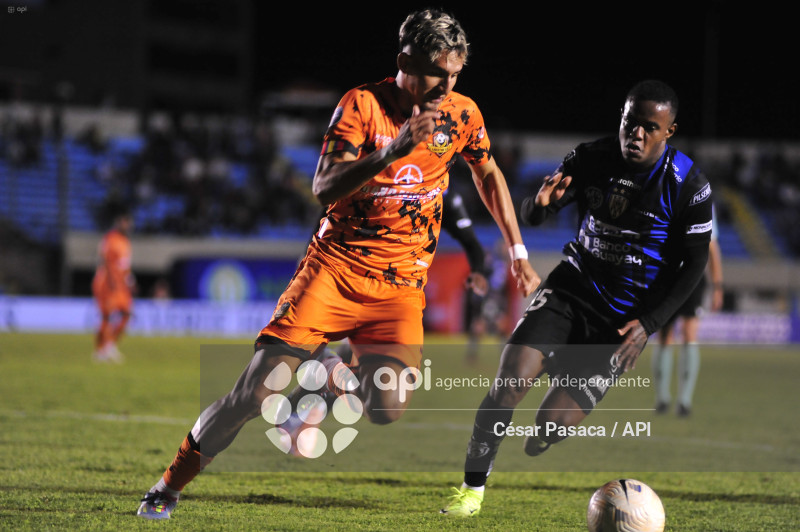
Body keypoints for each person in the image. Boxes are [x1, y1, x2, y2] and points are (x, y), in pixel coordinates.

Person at [137, 8, 539, 519]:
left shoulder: (462, 113)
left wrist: (517, 251)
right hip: (334, 273)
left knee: (388, 410)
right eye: (441, 74)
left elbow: (488, 172)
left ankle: (332, 369)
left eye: (457, 74)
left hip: (401, 286)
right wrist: (395, 148)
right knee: (254, 393)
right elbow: (323, 187)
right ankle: (167, 486)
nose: (448, 85)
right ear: (405, 61)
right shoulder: (362, 105)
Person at [441, 80, 714, 517]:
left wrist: (647, 325)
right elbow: (534, 212)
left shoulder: (688, 186)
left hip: (620, 322)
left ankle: (545, 433)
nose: (636, 135)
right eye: (630, 123)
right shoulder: (591, 158)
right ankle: (471, 491)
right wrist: (538, 205)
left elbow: (694, 266)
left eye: (649, 127)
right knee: (509, 382)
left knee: (554, 421)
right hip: (571, 289)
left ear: (669, 131)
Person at [652, 206, 723, 416]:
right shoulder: (665, 191)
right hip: (666, 274)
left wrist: (717, 285)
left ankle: (684, 400)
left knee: (689, 333)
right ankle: (662, 397)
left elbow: (712, 244)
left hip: (692, 275)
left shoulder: (703, 200)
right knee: (665, 335)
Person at [91, 205, 135, 363]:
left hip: (121, 285)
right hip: (106, 283)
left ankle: (110, 345)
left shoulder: (125, 241)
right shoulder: (110, 239)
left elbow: (124, 265)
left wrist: (130, 280)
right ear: (118, 222)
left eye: (129, 222)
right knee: (106, 317)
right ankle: (100, 350)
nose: (127, 225)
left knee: (126, 315)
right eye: (124, 222)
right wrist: (111, 281)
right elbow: (105, 260)